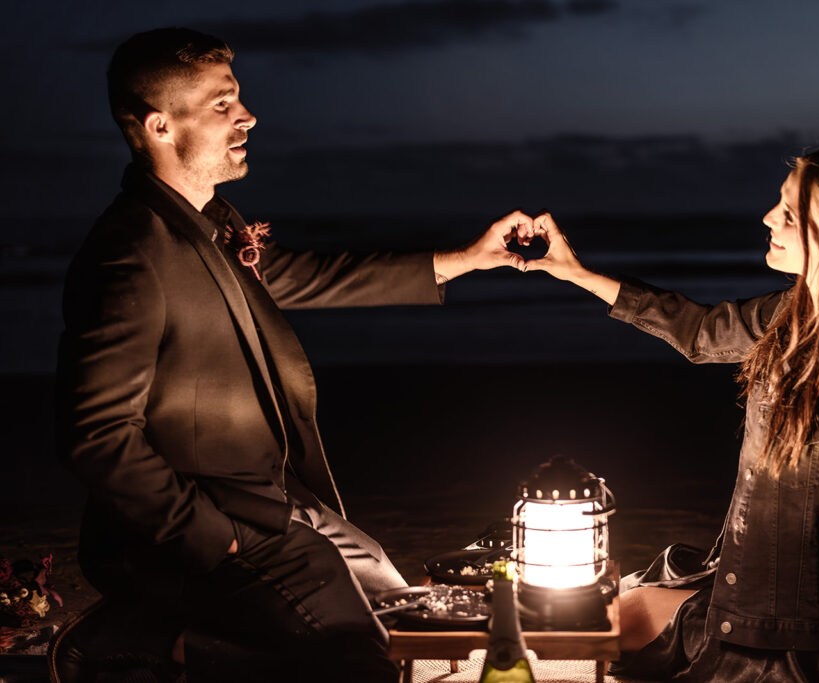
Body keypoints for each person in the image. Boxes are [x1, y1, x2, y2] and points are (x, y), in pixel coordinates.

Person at [51, 27, 535, 683]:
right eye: (223, 103)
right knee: (359, 661)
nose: (246, 115)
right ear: (161, 125)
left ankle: (169, 635)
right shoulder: (128, 255)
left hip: (272, 499)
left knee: (403, 611)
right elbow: (98, 438)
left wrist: (469, 259)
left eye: (238, 98)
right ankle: (143, 633)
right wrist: (212, 534)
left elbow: (314, 276)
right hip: (207, 526)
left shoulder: (213, 223)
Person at [524, 145, 819, 681]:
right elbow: (701, 332)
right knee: (594, 617)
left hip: (792, 638)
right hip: (741, 598)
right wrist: (576, 274)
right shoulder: (792, 314)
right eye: (779, 203)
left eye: (791, 215)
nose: (769, 218)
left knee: (593, 635)